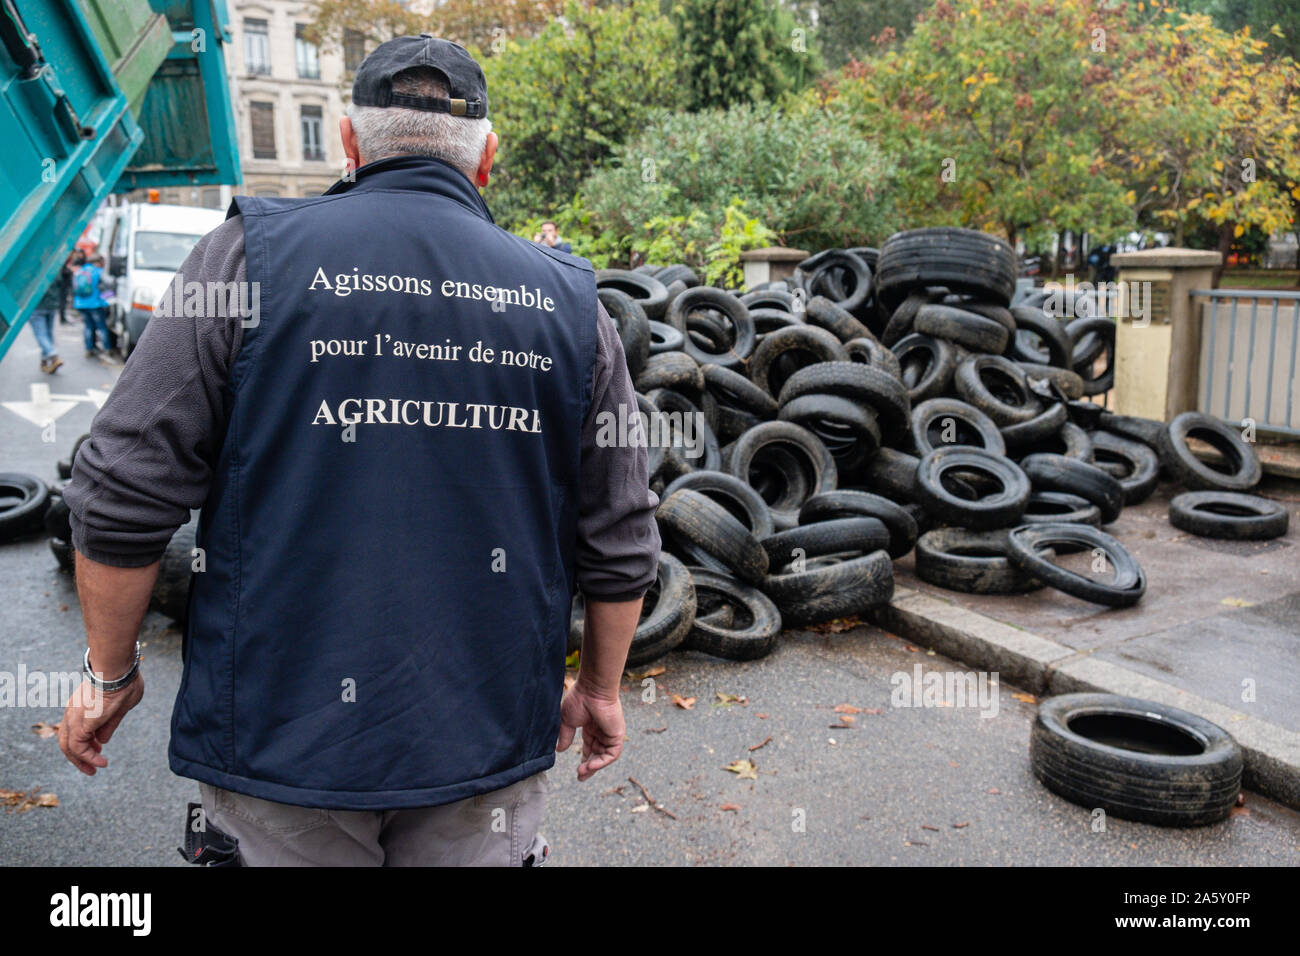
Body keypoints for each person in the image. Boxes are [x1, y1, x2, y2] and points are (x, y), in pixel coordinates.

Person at [59, 35, 660, 867]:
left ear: (347, 143)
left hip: (281, 742)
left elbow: (122, 489)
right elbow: (622, 531)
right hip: (483, 741)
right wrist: (598, 688)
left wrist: (110, 675)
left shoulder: (241, 258)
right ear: (488, 157)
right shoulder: (570, 302)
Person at [73, 253, 111, 357]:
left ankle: (89, 349)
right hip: (95, 304)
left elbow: (75, 289)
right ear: (98, 263)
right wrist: (107, 299)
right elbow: (109, 285)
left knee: (88, 327)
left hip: (80, 304)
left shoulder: (79, 271)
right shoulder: (98, 272)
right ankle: (107, 348)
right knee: (102, 327)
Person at [29, 276, 65, 373]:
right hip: (52, 305)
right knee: (48, 334)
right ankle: (44, 361)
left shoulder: (33, 270)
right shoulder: (53, 268)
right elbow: (60, 283)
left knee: (41, 334)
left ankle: (52, 355)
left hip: (37, 306)